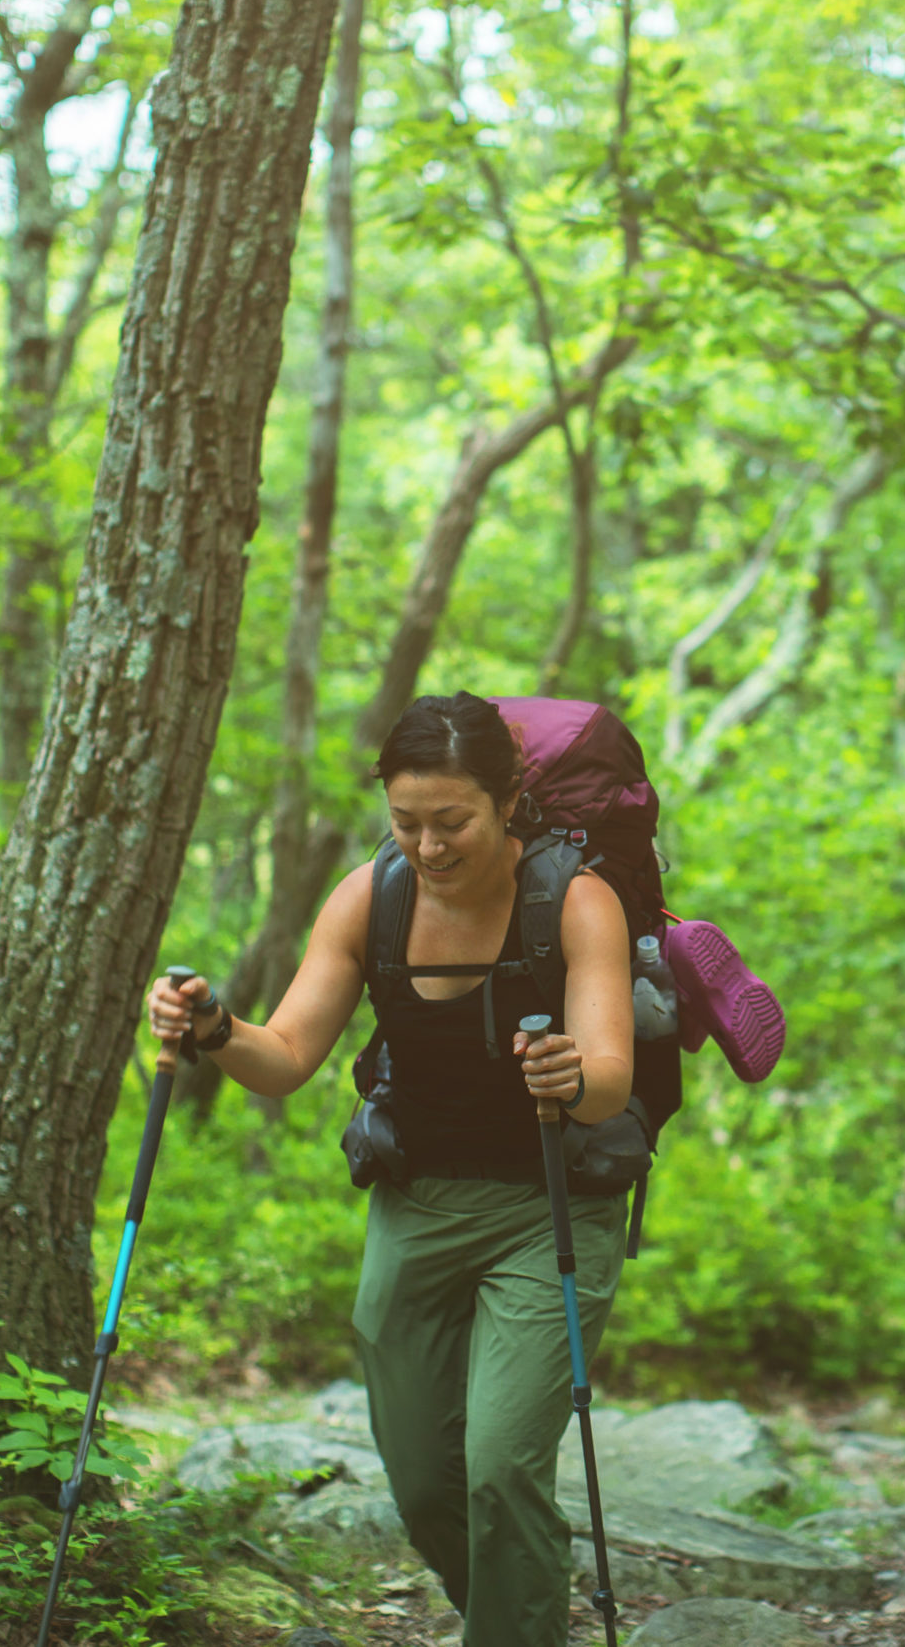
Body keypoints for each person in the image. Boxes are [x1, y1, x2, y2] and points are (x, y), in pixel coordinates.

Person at [146, 692, 631, 1646]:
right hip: (418, 1206)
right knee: (421, 1479)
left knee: (499, 1463)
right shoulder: (373, 896)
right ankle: (514, 1611)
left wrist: (575, 1072)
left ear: (506, 802)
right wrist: (213, 1028)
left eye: (451, 821)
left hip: (550, 1210)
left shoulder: (574, 899)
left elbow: (611, 1078)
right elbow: (284, 1058)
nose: (429, 844)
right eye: (405, 822)